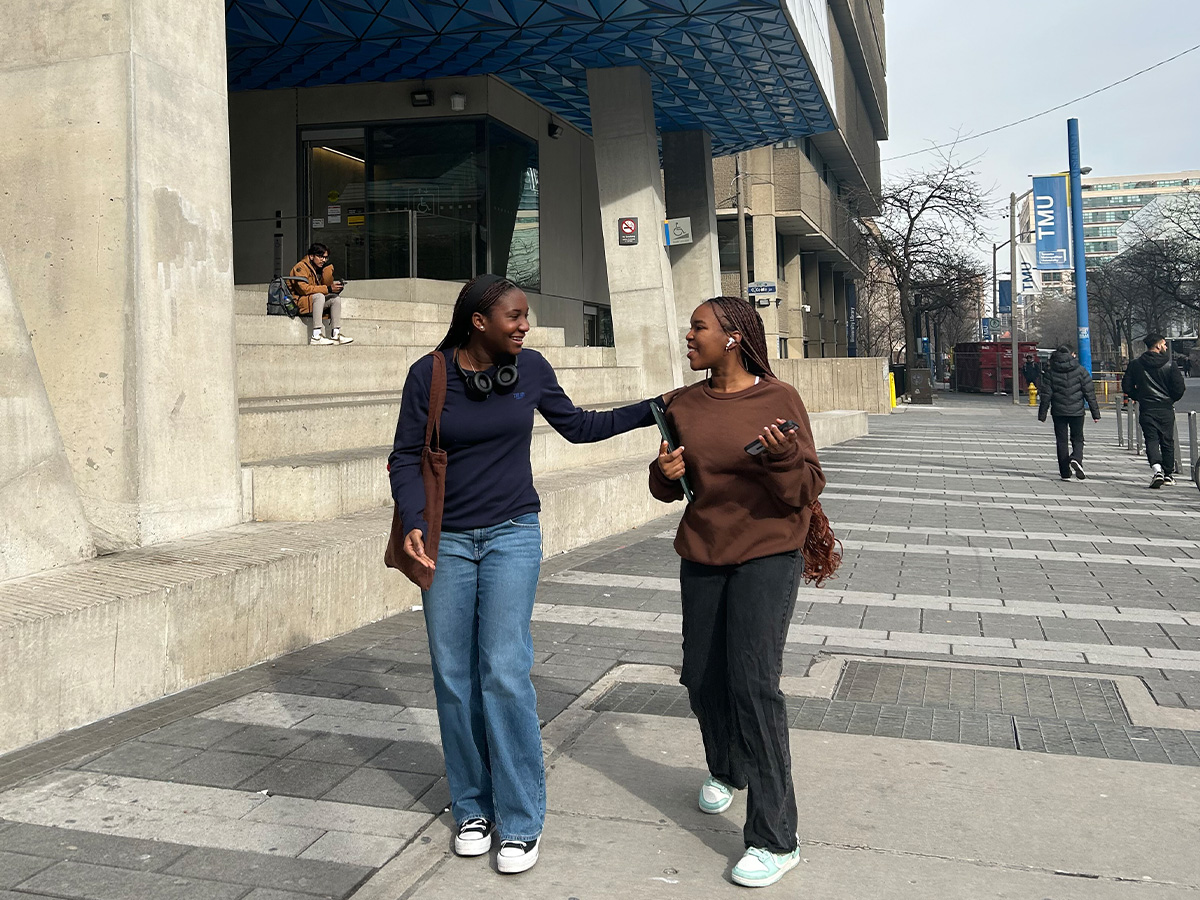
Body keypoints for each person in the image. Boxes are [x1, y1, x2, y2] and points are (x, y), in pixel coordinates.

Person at [388, 274, 659, 875]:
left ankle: (519, 818)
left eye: (526, 316)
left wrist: (653, 410)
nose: (524, 325)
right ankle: (471, 806)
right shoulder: (429, 375)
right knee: (454, 676)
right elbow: (406, 454)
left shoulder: (531, 368)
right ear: (478, 321)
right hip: (446, 542)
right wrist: (411, 517)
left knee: (504, 670)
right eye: (514, 316)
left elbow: (580, 426)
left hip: (513, 533)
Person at [648, 297, 835, 889]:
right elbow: (667, 487)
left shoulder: (778, 399)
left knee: (754, 684)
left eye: (699, 327)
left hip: (768, 552)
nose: (689, 335)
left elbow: (806, 487)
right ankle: (728, 769)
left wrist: (783, 461)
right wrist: (662, 474)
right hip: (703, 549)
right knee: (701, 675)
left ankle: (776, 839)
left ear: (731, 338)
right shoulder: (680, 404)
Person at [1122, 333, 1186, 488]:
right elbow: (1179, 388)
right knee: (1167, 441)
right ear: (1157, 345)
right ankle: (1168, 474)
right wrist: (1170, 399)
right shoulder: (1170, 365)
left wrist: (1140, 396)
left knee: (1151, 439)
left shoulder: (1136, 364)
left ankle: (1156, 469)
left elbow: (1127, 387)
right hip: (1165, 408)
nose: (1165, 347)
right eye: (1164, 344)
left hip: (1147, 408)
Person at [1037, 345, 1100, 481]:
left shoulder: (1050, 372)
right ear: (1072, 355)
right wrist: (1095, 414)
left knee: (1061, 440)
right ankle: (1076, 457)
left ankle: (1065, 472)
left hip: (1058, 411)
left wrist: (1042, 414)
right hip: (1077, 411)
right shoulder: (1081, 371)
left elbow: (1046, 395)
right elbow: (1089, 393)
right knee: (1077, 438)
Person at [289, 243, 353, 346]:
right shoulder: (300, 267)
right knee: (319, 296)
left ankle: (336, 334)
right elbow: (304, 290)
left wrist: (328, 273)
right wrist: (328, 288)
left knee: (335, 299)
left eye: (325, 258)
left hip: (313, 301)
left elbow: (325, 287)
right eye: (320, 257)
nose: (323, 260)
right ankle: (316, 336)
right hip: (299, 302)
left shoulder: (318, 269)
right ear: (311, 256)